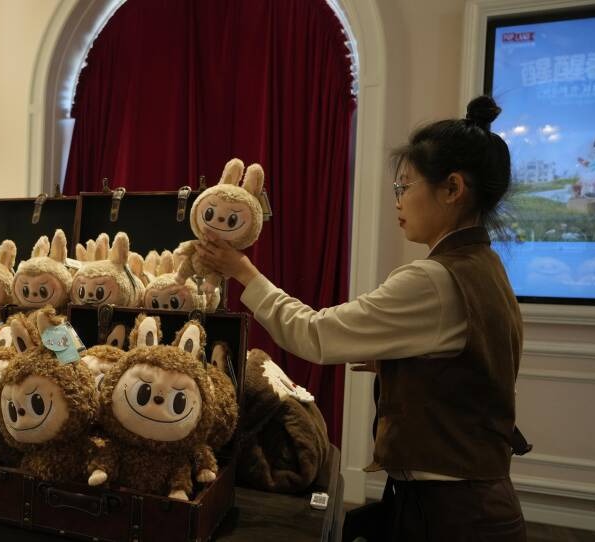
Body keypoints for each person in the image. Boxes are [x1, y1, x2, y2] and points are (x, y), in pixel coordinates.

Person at [195, 95, 527, 541]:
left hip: (450, 512)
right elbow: (473, 366)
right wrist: (402, 363)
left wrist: (241, 270)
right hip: (475, 500)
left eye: (405, 186)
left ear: (452, 189)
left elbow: (315, 335)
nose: (398, 201)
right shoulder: (482, 264)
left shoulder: (433, 280)